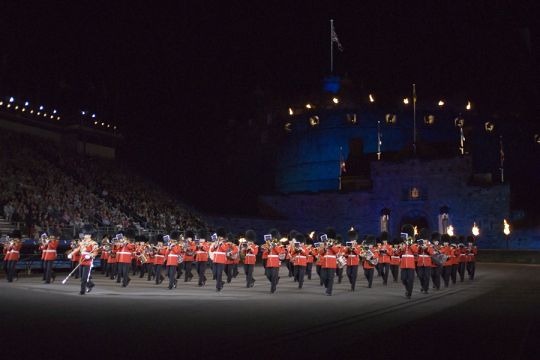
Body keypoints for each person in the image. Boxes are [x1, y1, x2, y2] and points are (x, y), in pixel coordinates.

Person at [320, 228, 341, 296]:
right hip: (324, 262)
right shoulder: (324, 243)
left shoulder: (335, 243)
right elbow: (320, 252)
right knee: (323, 277)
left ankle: (329, 291)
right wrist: (324, 248)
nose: (329, 239)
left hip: (332, 262)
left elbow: (337, 252)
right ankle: (327, 286)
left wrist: (331, 246)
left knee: (330, 278)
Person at [399, 225, 417, 299]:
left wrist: (410, 244)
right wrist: (401, 248)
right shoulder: (402, 244)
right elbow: (398, 253)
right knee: (403, 279)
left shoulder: (414, 244)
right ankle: (407, 288)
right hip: (403, 265)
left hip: (410, 265)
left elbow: (415, 251)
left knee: (410, 279)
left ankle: (409, 293)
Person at [265, 230, 284, 294]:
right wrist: (267, 248)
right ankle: (275, 280)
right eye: (272, 238)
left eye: (273, 238)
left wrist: (274, 246)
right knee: (268, 274)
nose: (272, 239)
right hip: (269, 262)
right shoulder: (268, 244)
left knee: (273, 276)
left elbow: (280, 252)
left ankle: (273, 288)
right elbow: (265, 253)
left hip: (275, 261)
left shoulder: (280, 245)